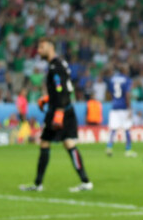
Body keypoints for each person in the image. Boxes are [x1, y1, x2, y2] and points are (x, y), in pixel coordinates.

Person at [19, 38, 93, 192]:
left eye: (41, 47)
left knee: (52, 143)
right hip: (61, 108)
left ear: (50, 47)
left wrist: (58, 111)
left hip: (60, 111)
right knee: (60, 143)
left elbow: (63, 91)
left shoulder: (55, 66)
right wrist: (48, 98)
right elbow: (64, 88)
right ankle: (84, 181)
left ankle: (39, 184)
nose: (38, 51)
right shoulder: (59, 64)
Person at [106, 64, 136, 157]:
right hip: (123, 107)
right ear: (124, 70)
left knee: (113, 128)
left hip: (114, 106)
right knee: (127, 128)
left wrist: (114, 101)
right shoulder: (127, 80)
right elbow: (127, 94)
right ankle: (128, 150)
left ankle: (109, 147)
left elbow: (109, 92)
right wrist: (129, 108)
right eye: (127, 68)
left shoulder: (112, 79)